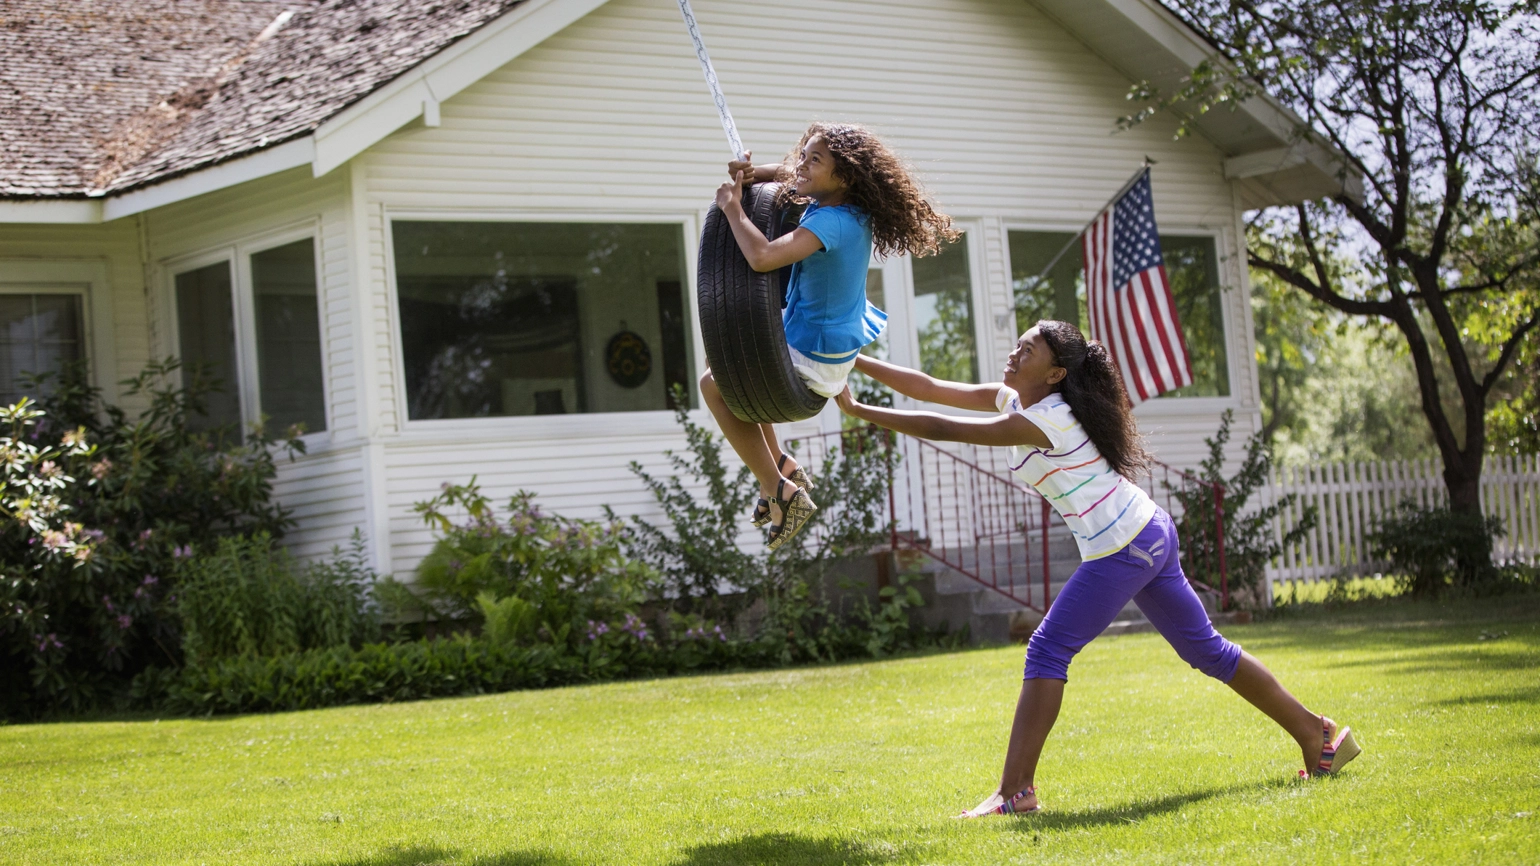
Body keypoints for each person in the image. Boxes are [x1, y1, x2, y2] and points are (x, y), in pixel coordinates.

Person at [835, 320, 1361, 816]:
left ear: (1057, 374)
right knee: (1207, 651)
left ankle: (1014, 792)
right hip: (1145, 531)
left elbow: (944, 426)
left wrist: (862, 412)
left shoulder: (1050, 419)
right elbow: (930, 388)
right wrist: (853, 359)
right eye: (1017, 346)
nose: (1014, 355)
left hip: (1124, 544)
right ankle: (1319, 736)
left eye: (1028, 352)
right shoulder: (1020, 399)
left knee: (1048, 648)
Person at [701, 122, 954, 550]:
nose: (801, 165)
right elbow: (790, 175)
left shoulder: (833, 223)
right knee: (734, 368)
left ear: (845, 176)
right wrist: (755, 174)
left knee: (714, 385)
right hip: (827, 350)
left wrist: (732, 208)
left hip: (815, 359)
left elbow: (762, 257)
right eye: (803, 154)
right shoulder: (848, 207)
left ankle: (778, 488)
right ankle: (782, 463)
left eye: (814, 159)